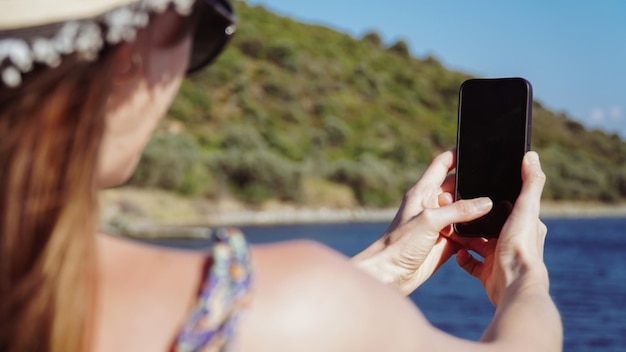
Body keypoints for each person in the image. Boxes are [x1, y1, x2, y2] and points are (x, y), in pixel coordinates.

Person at [0, 0, 562, 351]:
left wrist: (381, 266)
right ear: (126, 52)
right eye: (205, 27)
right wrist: (520, 270)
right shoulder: (246, 305)